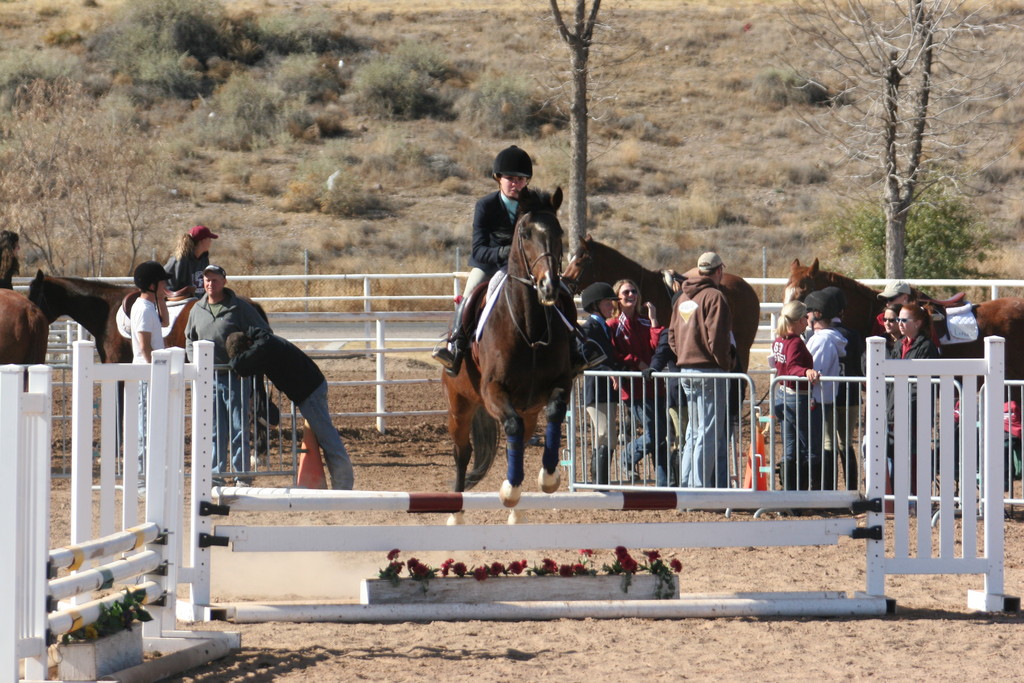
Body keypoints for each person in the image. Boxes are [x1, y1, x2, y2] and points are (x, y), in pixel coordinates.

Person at [433, 146, 534, 375]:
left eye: (520, 179)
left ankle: (574, 346)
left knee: (553, 295)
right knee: (467, 298)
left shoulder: (532, 206)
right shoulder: (486, 206)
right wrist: (505, 253)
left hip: (525, 269)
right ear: (498, 179)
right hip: (489, 266)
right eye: (510, 179)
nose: (515, 184)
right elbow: (478, 249)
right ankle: (455, 347)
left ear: (527, 181)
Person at [226, 327, 354, 490]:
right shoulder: (264, 341)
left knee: (328, 438)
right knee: (326, 437)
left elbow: (240, 365)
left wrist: (236, 362)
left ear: (249, 346)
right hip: (311, 388)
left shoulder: (262, 348)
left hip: (309, 391)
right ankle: (342, 484)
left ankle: (344, 486)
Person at [185, 264, 270, 485]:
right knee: (214, 428)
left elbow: (264, 333)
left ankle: (241, 474)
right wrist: (196, 362)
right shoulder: (197, 310)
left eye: (214, 280)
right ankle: (216, 473)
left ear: (224, 281)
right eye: (206, 280)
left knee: (238, 426)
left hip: (236, 377)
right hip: (209, 378)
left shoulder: (239, 308)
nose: (209, 284)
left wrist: (246, 360)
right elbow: (189, 339)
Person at [670, 252, 735, 488]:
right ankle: (698, 489)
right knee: (707, 432)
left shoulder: (681, 299)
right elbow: (717, 339)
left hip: (686, 370)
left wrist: (685, 356)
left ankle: (687, 486)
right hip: (709, 371)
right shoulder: (715, 297)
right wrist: (725, 363)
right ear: (718, 271)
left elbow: (672, 337)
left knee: (693, 432)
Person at [609, 278, 668, 485]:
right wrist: (637, 362)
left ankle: (664, 482)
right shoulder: (613, 325)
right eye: (626, 292)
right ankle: (627, 456)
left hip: (655, 385)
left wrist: (653, 321)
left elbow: (657, 346)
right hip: (634, 389)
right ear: (617, 297)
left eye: (634, 291)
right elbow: (613, 354)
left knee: (662, 434)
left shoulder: (645, 322)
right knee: (656, 432)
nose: (631, 295)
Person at [885, 302, 939, 495]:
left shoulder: (926, 347)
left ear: (917, 323)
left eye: (903, 320)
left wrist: (903, 406)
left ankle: (916, 497)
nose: (899, 323)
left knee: (914, 456)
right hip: (895, 411)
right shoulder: (899, 345)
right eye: (898, 319)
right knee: (895, 455)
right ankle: (898, 496)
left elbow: (921, 385)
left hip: (915, 414)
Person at [771, 300, 822, 491]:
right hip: (798, 396)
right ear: (801, 320)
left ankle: (789, 495)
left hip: (783, 394)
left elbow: (781, 365)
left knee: (790, 448)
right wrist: (806, 371)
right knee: (809, 446)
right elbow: (792, 367)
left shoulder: (779, 341)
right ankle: (811, 493)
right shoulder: (796, 343)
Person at [130, 260, 171, 494]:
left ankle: (145, 476)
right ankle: (140, 479)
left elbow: (165, 322)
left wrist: (162, 298)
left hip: (150, 373)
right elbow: (145, 346)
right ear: (152, 284)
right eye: (162, 282)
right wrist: (154, 372)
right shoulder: (144, 310)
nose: (166, 284)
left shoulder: (148, 307)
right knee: (144, 427)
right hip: (147, 374)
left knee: (149, 425)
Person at [577, 282, 624, 486]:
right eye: (607, 303)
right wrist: (608, 371)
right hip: (596, 390)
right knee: (604, 435)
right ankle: (599, 483)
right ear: (595, 305)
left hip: (606, 391)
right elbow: (585, 357)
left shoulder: (604, 327)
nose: (611, 307)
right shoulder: (589, 328)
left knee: (607, 436)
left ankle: (600, 482)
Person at [822, 286, 865, 491]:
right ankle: (851, 490)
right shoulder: (854, 335)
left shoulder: (823, 335)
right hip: (851, 395)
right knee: (846, 444)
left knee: (829, 443)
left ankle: (830, 490)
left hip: (830, 395)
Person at [803, 289, 847, 490]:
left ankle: (819, 489)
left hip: (816, 400)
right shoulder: (824, 338)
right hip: (821, 399)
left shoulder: (821, 340)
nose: (806, 316)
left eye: (808, 312)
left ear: (817, 314)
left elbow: (814, 370)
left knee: (814, 445)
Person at [164, 225, 218, 297]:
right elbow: (167, 286)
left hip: (198, 303)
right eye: (209, 238)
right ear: (202, 240)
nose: (211, 241)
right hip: (181, 303)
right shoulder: (179, 260)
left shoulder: (204, 259)